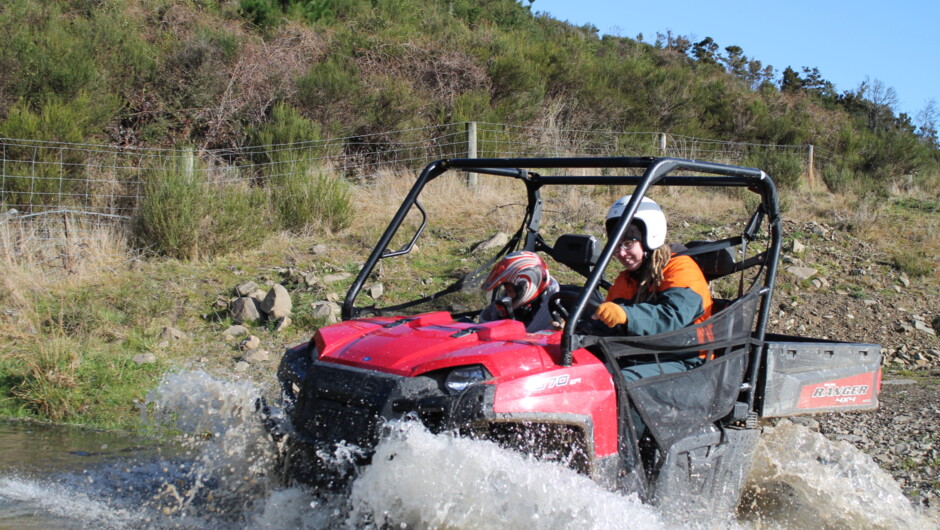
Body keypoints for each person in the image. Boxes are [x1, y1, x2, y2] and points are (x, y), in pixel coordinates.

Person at [593, 195, 714, 380]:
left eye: (627, 244)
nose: (620, 253)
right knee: (580, 370)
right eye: (616, 246)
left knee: (617, 382)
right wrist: (579, 325)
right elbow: (606, 321)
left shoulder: (681, 268)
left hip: (686, 359)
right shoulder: (627, 278)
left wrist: (626, 315)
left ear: (650, 237)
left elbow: (672, 315)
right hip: (641, 355)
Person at [479, 250, 560, 332]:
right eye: (506, 290)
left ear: (526, 286)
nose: (507, 296)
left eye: (510, 291)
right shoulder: (520, 308)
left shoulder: (552, 313)